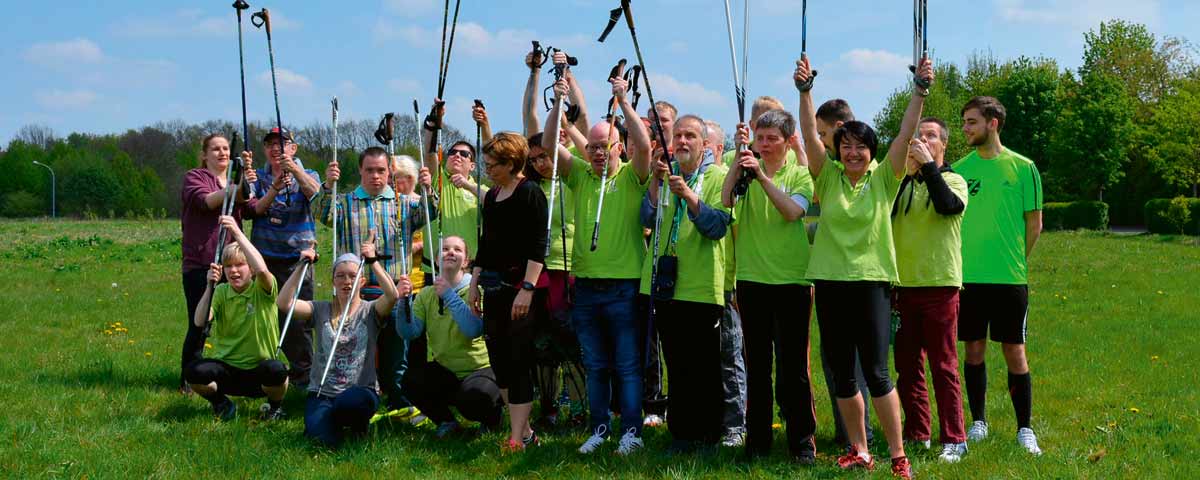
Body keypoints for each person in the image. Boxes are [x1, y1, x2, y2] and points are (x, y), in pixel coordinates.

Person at [796, 55, 933, 478]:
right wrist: (804, 92)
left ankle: (896, 454)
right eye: (846, 146)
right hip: (831, 284)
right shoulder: (826, 177)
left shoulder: (884, 178)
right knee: (840, 374)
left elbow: (906, 132)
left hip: (871, 284)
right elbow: (807, 132)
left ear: (872, 152)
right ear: (837, 150)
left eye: (861, 146)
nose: (853, 152)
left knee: (875, 372)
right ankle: (859, 449)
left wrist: (920, 92)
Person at [542, 67, 652, 455]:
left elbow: (645, 144)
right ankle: (600, 427)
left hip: (623, 286)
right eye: (591, 147)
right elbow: (548, 140)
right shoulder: (581, 177)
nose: (597, 153)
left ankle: (632, 430)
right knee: (596, 364)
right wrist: (557, 101)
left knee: (626, 364)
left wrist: (623, 101)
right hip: (586, 287)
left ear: (620, 148)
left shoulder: (633, 177)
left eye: (605, 146)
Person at [722, 109, 818, 463]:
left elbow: (793, 212)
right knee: (757, 367)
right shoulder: (745, 169)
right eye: (759, 139)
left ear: (788, 140)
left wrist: (761, 177)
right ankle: (757, 441)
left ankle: (802, 441)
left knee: (793, 370)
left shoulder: (800, 173)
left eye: (770, 139)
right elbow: (726, 200)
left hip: (792, 282)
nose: (764, 145)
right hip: (751, 281)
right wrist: (738, 158)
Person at [953, 96, 1044, 456]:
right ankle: (978, 421)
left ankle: (1025, 429)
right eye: (963, 122)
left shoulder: (1024, 168)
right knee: (973, 350)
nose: (965, 128)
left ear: (993, 123)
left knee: (1015, 352)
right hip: (967, 279)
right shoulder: (959, 169)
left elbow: (1034, 225)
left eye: (971, 121)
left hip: (1009, 280)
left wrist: (1013, 262)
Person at [319, 146, 433, 423]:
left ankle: (398, 401)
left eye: (381, 170)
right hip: (355, 292)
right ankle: (357, 401)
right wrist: (327, 185)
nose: (375, 176)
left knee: (396, 353)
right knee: (358, 350)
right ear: (360, 171)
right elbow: (324, 214)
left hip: (392, 289)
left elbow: (430, 214)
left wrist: (429, 190)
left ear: (389, 172)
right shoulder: (345, 203)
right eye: (369, 170)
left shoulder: (403, 203)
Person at [639, 114, 731, 452]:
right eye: (677, 136)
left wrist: (690, 196)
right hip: (664, 284)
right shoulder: (665, 175)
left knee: (704, 365)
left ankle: (709, 434)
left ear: (705, 144)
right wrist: (655, 181)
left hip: (702, 285)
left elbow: (718, 225)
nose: (681, 142)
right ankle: (681, 432)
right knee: (675, 363)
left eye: (690, 136)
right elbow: (646, 220)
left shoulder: (719, 176)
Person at [891, 116, 970, 462]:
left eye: (931, 137)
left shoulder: (953, 180)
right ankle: (917, 431)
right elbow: (883, 213)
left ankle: (954, 437)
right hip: (902, 286)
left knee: (943, 365)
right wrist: (909, 173)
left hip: (940, 285)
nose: (922, 141)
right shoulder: (902, 184)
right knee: (907, 367)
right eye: (917, 137)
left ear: (943, 145)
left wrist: (928, 168)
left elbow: (947, 205)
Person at [469, 131, 549, 452]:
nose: (487, 170)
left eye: (492, 165)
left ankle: (515, 439)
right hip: (494, 288)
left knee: (517, 360)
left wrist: (527, 289)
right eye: (486, 165)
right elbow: (486, 244)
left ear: (511, 162)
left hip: (522, 289)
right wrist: (474, 283)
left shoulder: (531, 194)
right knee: (499, 359)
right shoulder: (491, 197)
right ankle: (526, 431)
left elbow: (538, 246)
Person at [279, 240, 400, 447]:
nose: (347, 281)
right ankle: (330, 423)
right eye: (340, 276)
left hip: (360, 391)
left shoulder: (370, 310)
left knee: (351, 403)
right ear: (333, 282)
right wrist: (301, 266)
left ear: (361, 281)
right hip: (323, 393)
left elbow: (392, 295)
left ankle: (357, 424)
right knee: (323, 441)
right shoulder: (320, 309)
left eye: (353, 276)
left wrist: (373, 261)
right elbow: (284, 303)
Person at [806, 95, 876, 449]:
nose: (818, 140)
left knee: (860, 367)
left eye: (822, 134)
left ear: (838, 129)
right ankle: (848, 433)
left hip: (863, 279)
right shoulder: (831, 173)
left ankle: (860, 436)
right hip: (832, 277)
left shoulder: (873, 173)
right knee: (837, 363)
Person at [400, 236, 503, 438]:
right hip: (446, 370)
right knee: (410, 381)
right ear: (437, 260)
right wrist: (402, 302)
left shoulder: (476, 290)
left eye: (457, 249)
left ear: (466, 261)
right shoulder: (427, 294)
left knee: (473, 400)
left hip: (480, 369)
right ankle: (447, 422)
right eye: (445, 249)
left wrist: (449, 295)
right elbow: (409, 332)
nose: (450, 252)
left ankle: (493, 417)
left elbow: (473, 329)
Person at [186, 215, 287, 421]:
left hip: (259, 371)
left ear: (249, 268)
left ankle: (274, 408)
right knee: (193, 371)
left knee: (277, 370)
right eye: (229, 266)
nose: (233, 271)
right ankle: (221, 404)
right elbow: (200, 321)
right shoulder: (222, 291)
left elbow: (262, 269)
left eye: (239, 265)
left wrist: (237, 232)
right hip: (228, 371)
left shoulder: (263, 290)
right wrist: (209, 287)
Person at [179, 133, 257, 394]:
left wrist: (250, 178)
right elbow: (206, 201)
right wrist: (236, 187)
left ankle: (228, 372)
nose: (222, 153)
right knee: (200, 323)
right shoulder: (195, 177)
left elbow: (253, 207)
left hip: (232, 263)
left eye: (225, 149)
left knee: (233, 321)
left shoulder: (236, 181)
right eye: (215, 149)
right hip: (201, 263)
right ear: (204, 155)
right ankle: (189, 378)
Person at [248, 127, 321, 387]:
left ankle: (304, 377)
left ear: (294, 148)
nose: (275, 148)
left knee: (298, 323)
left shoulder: (309, 173)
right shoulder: (256, 176)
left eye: (282, 143)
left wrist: (296, 171)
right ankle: (267, 374)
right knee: (264, 318)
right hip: (264, 259)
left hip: (297, 260)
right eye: (269, 144)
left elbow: (317, 195)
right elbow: (252, 209)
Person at [525, 131, 584, 427]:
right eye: (533, 159)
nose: (539, 163)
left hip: (568, 268)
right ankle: (548, 408)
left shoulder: (571, 179)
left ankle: (578, 409)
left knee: (571, 343)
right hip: (539, 271)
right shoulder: (531, 186)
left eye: (543, 156)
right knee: (543, 344)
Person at [706, 119, 748, 448]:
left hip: (727, 282)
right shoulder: (698, 176)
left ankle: (736, 424)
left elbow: (734, 231)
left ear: (720, 148)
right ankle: (712, 420)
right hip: (699, 283)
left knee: (730, 357)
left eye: (707, 145)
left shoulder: (726, 180)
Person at [423, 103, 486, 258]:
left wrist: (468, 186)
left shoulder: (481, 188)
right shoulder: (439, 178)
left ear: (472, 166)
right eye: (452, 152)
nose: (457, 156)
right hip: (437, 265)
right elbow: (429, 152)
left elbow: (493, 201)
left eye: (464, 154)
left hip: (470, 266)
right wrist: (434, 123)